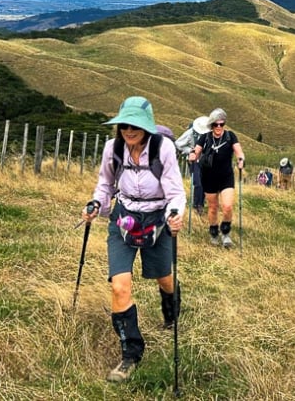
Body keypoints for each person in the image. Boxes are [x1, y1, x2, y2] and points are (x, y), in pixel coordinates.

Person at [81, 96, 186, 383]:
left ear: (147, 126)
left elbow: (175, 191)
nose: (129, 130)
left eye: (135, 125)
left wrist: (175, 214)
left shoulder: (163, 149)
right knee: (119, 286)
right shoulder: (112, 149)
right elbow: (105, 184)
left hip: (157, 219)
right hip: (123, 218)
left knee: (163, 277)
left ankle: (171, 310)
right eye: (124, 125)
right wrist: (95, 205)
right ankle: (131, 354)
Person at [190, 108, 244, 247]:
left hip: (226, 177)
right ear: (211, 125)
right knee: (213, 207)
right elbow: (196, 150)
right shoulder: (205, 137)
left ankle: (225, 233)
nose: (219, 127)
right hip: (209, 177)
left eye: (221, 124)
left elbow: (238, 150)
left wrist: (240, 159)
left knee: (227, 206)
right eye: (216, 124)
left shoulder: (230, 136)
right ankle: (214, 233)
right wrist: (193, 155)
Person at [175, 116, 210, 215]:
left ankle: (201, 204)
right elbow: (178, 144)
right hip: (194, 160)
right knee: (198, 182)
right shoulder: (190, 133)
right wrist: (190, 151)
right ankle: (196, 205)